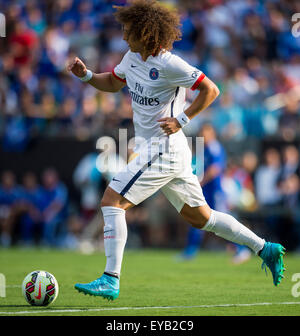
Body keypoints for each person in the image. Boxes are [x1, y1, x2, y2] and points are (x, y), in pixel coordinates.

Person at [67, 0, 285, 301]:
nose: (123, 34)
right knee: (202, 218)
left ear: (146, 32)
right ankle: (265, 248)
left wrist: (182, 119)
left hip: (163, 147)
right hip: (167, 151)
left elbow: (211, 89)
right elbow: (114, 83)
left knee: (112, 199)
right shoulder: (132, 58)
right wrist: (87, 76)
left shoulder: (170, 64)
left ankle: (110, 278)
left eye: (128, 29)